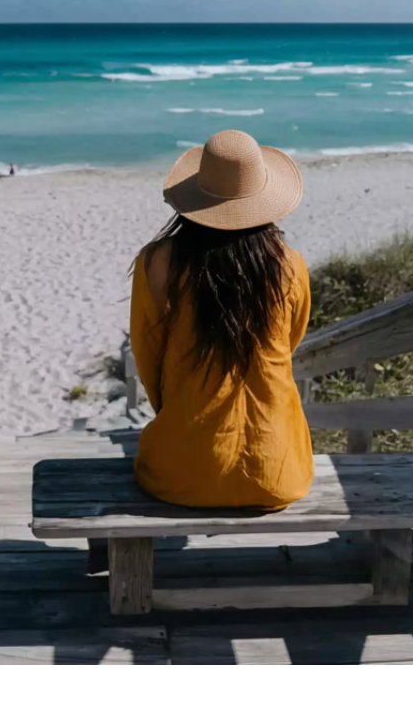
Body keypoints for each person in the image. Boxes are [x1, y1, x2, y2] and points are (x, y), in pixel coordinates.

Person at [128, 129, 313, 510]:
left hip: (180, 475)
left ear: (197, 196)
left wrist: (175, 410)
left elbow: (147, 354)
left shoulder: (158, 261)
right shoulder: (290, 264)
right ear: (262, 196)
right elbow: (289, 344)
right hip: (278, 474)